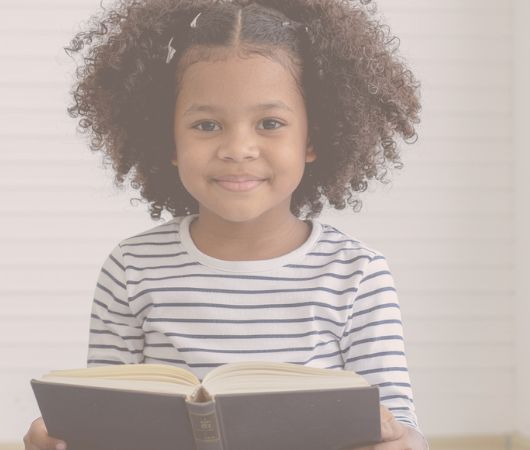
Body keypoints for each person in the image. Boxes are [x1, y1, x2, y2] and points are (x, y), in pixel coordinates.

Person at [23, 0, 426, 448]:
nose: (238, 148)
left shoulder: (356, 273)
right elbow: (101, 421)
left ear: (312, 138)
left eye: (270, 123)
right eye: (207, 124)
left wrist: (401, 442)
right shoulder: (132, 268)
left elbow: (401, 427)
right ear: (168, 139)